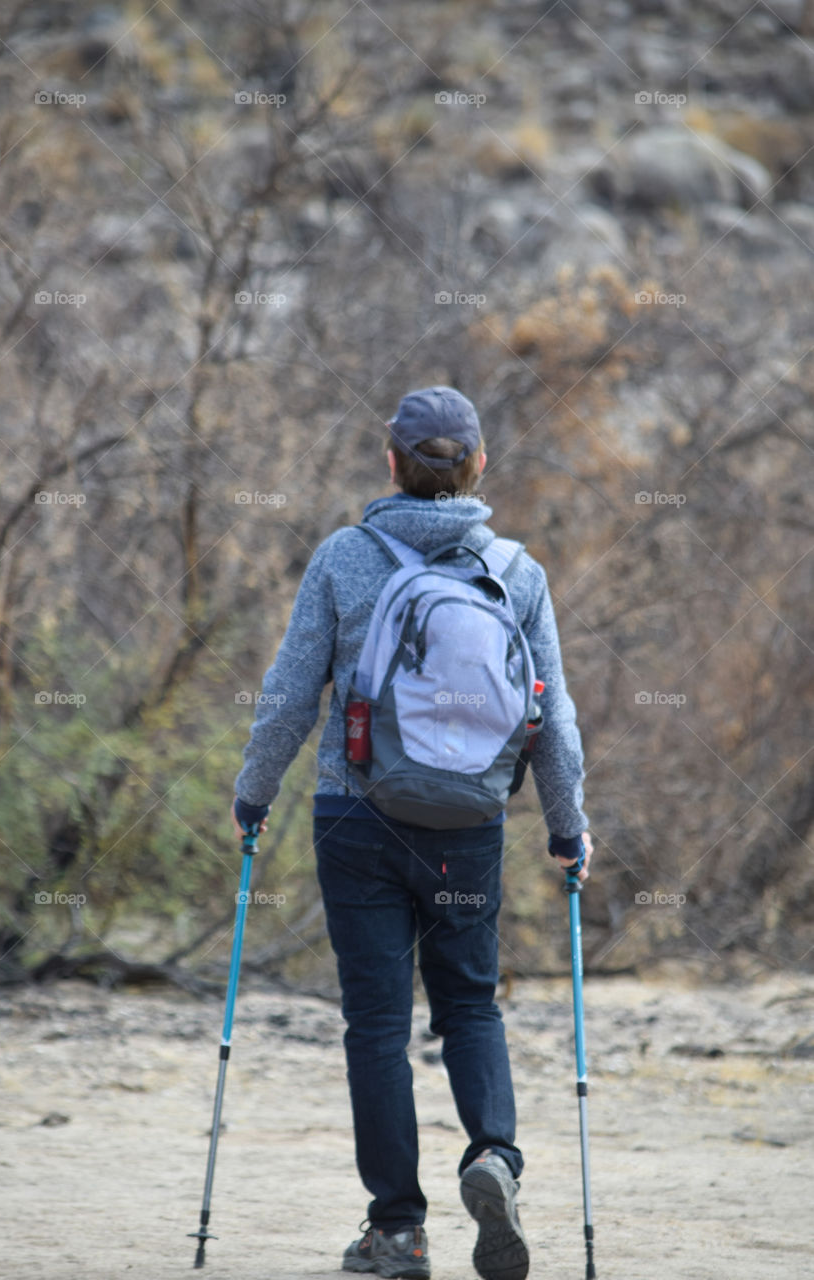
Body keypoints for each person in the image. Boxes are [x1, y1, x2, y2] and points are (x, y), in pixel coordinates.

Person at [232, 386, 592, 1280]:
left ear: (388, 462)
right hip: (468, 822)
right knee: (469, 1004)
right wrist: (567, 829)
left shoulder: (345, 558)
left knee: (376, 1026)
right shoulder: (516, 572)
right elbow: (554, 718)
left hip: (354, 815)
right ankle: (492, 1159)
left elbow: (286, 696)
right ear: (480, 467)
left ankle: (397, 1230)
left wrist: (252, 793)